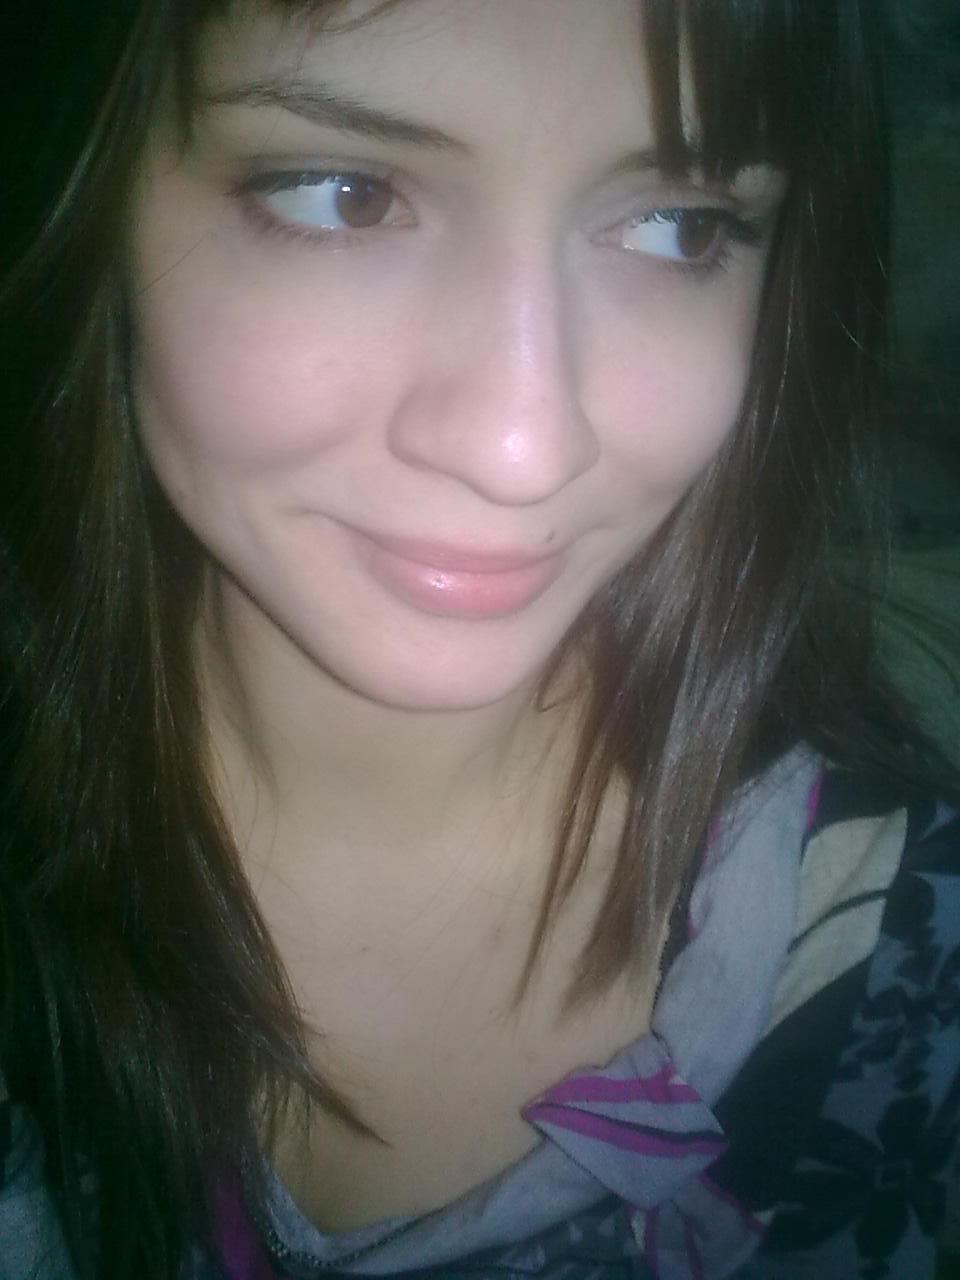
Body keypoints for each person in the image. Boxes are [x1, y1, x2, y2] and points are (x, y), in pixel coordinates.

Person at [0, 1, 957, 1277]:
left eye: (679, 226)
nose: (524, 446)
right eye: (344, 197)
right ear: (88, 199)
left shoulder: (912, 963)